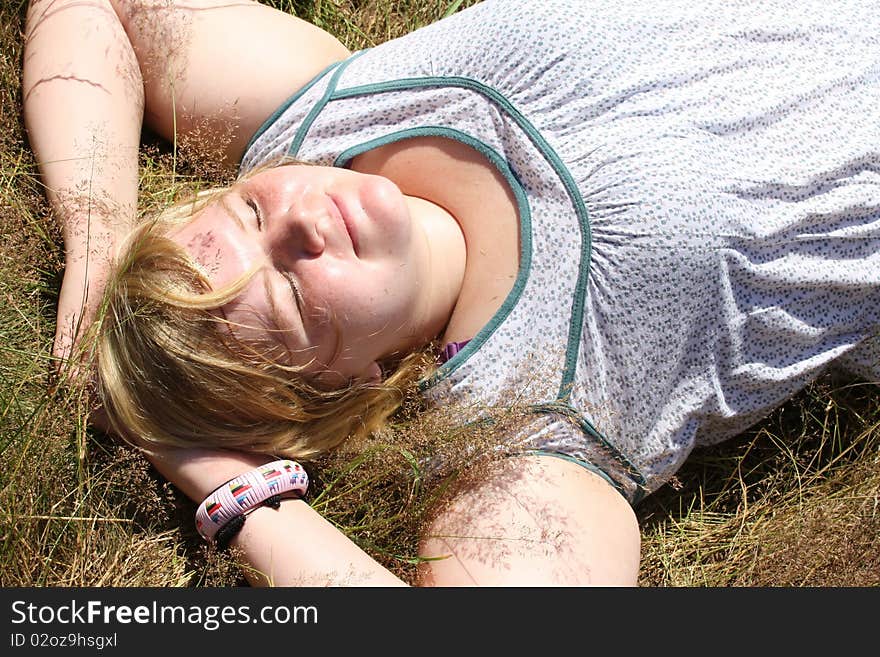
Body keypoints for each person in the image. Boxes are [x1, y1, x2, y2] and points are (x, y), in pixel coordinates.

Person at [23, 0, 880, 586]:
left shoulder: (318, 117)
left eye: (248, 207)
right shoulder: (527, 428)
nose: (296, 215)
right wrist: (226, 485)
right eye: (286, 285)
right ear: (339, 384)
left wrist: (95, 238)